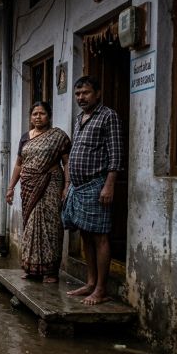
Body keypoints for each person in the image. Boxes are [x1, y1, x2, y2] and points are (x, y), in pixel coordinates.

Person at [62, 76, 123, 305]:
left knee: (100, 236)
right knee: (86, 234)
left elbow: (116, 155)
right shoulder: (80, 119)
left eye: (86, 93)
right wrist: (68, 185)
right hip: (79, 187)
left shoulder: (108, 117)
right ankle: (89, 282)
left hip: (97, 185)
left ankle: (101, 289)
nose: (81, 98)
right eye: (78, 94)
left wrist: (109, 185)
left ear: (97, 93)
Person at [6, 101, 71, 283]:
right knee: (30, 227)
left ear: (49, 116)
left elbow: (67, 162)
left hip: (51, 184)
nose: (38, 117)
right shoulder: (25, 138)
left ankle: (51, 271)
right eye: (34, 114)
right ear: (30, 117)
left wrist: (67, 185)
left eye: (42, 113)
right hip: (28, 186)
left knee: (51, 225)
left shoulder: (58, 137)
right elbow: (19, 164)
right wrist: (10, 187)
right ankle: (31, 268)